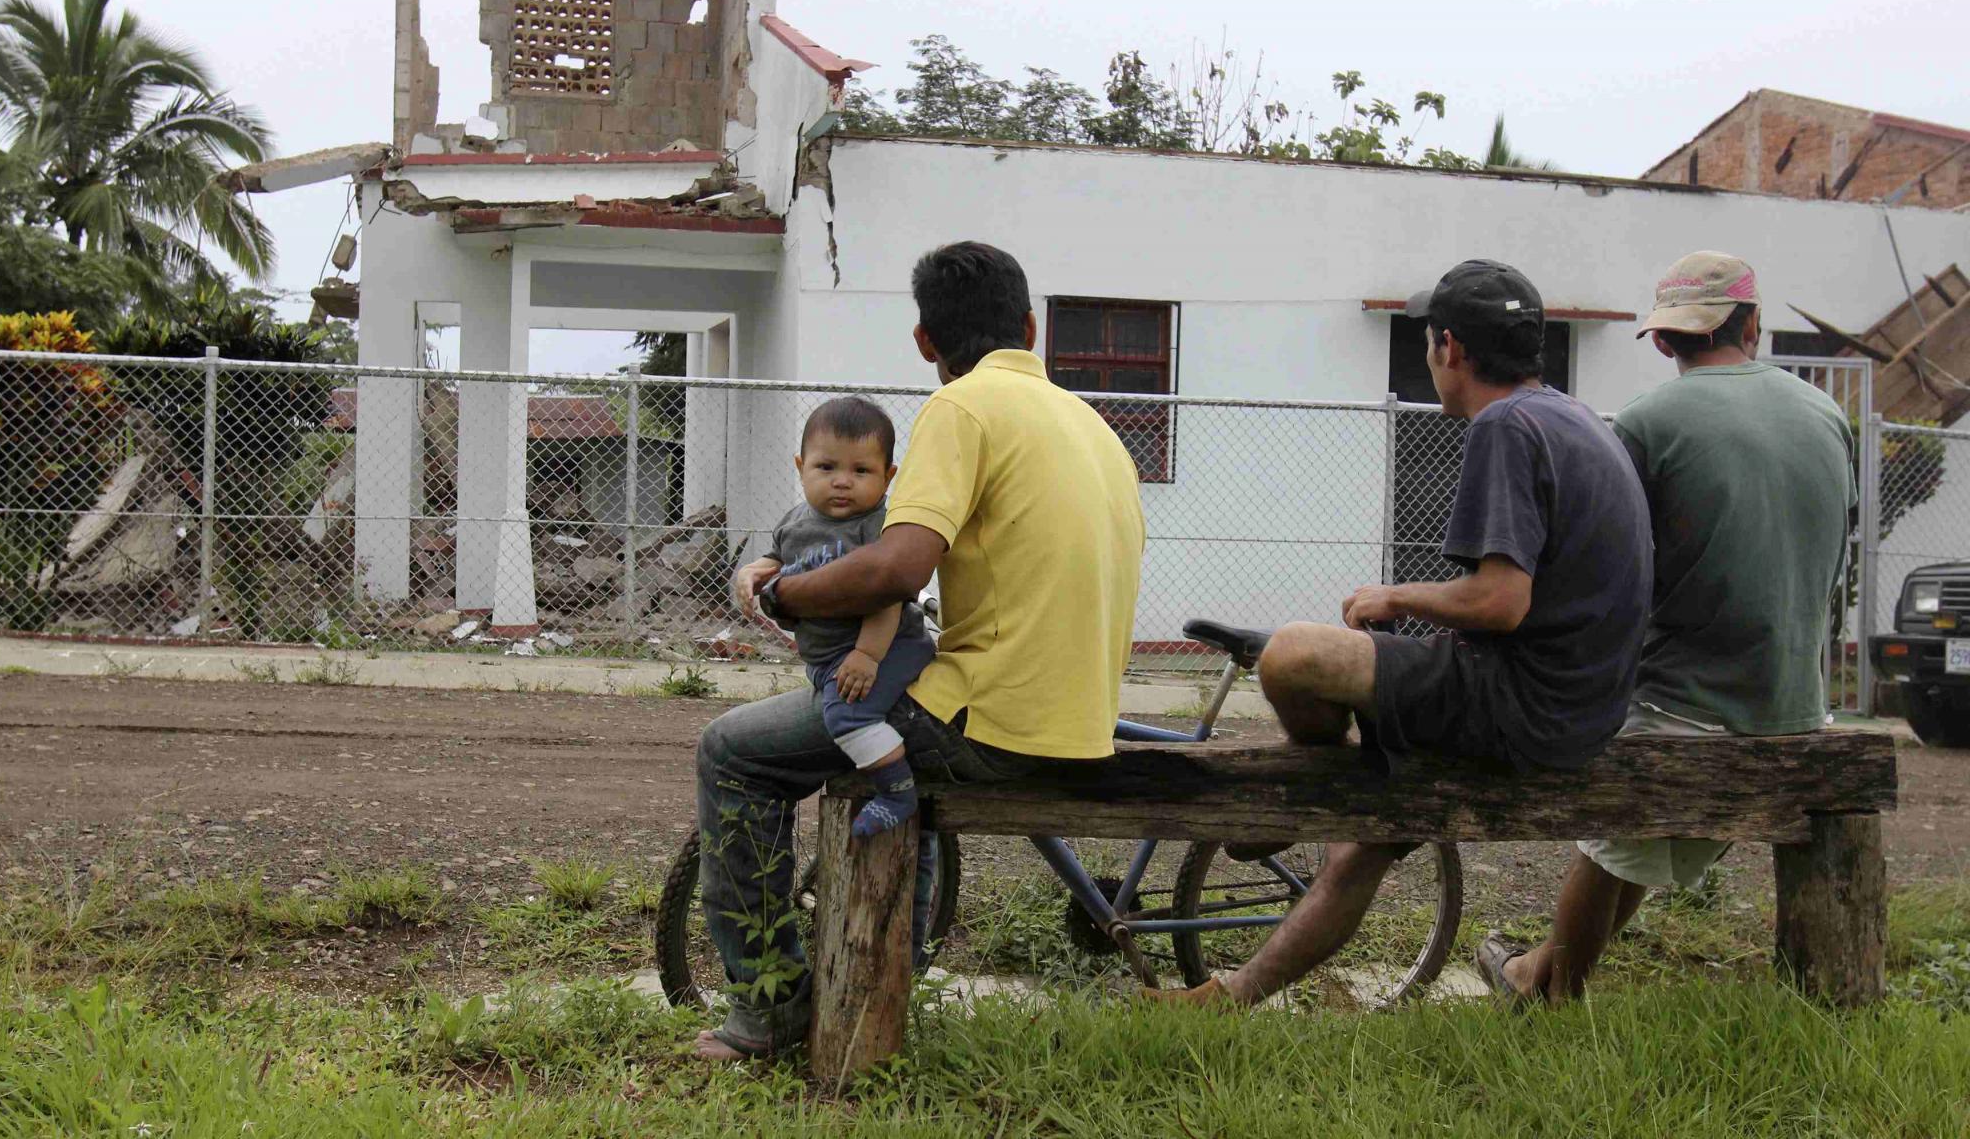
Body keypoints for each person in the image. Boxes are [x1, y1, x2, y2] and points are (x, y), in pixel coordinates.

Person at [1148, 258, 1652, 1010]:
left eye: (1427, 343)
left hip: (1521, 702)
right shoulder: (1574, 418)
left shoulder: (1505, 427)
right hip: (1584, 707)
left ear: (1450, 348)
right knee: (1362, 847)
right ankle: (1230, 994)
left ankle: (1308, 790)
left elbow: (1503, 598)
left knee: (1293, 653)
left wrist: (1394, 594)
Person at [696, 240, 1146, 1059]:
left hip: (991, 723)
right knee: (907, 736)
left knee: (730, 751)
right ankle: (884, 975)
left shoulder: (963, 407)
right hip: (1080, 721)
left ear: (924, 342)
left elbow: (901, 564)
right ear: (1031, 326)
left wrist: (784, 593)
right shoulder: (1092, 424)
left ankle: (773, 1008)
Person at [1483, 251, 1855, 1005]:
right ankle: (1530, 969)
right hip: (1796, 705)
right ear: (1752, 324)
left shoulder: (1649, 421)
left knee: (1613, 838)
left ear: (1663, 341)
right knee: (1641, 840)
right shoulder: (1828, 412)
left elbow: (1612, 569)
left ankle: (1557, 997)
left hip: (1686, 705)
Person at [761, 396, 936, 839]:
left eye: (861, 472)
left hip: (888, 647)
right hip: (828, 660)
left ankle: (898, 793)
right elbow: (779, 559)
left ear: (887, 476)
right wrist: (754, 572)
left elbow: (886, 597)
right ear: (801, 466)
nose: (842, 483)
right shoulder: (794, 522)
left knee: (848, 719)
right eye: (826, 468)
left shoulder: (878, 526)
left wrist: (867, 655)